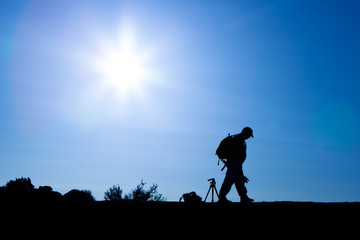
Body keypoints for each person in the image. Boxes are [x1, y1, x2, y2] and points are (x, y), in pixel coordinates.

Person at [219, 127, 254, 203]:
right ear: (245, 133)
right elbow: (236, 154)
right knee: (239, 180)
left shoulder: (239, 140)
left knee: (229, 180)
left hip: (234, 162)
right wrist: (236, 165)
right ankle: (243, 197)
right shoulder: (238, 140)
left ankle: (222, 197)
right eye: (248, 135)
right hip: (234, 162)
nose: (248, 137)